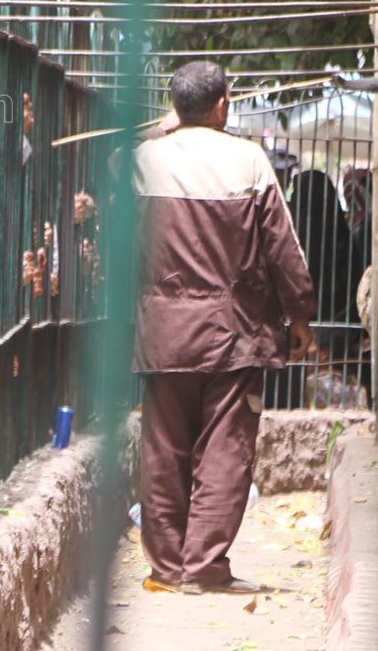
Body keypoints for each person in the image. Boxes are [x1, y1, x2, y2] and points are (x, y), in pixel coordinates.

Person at [133, 61, 315, 595]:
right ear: (222, 105)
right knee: (225, 450)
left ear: (175, 107)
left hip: (164, 330)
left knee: (164, 449)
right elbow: (282, 246)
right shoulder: (249, 160)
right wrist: (300, 314)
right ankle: (205, 567)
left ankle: (167, 568)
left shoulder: (143, 160)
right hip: (235, 331)